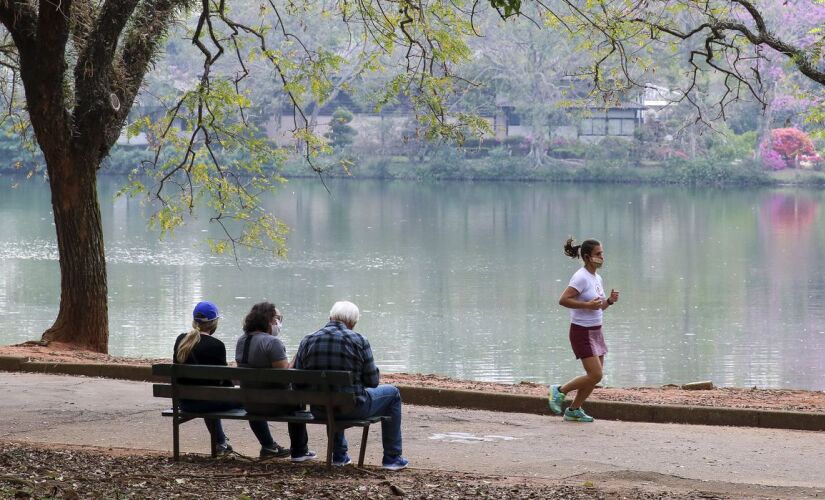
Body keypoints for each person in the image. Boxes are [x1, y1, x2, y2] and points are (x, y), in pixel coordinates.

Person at [294, 300, 408, 471]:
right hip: (353, 409)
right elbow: (372, 381)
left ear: (330, 317)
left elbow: (298, 383)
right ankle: (392, 457)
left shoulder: (308, 340)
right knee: (393, 393)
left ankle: (339, 455)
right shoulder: (359, 340)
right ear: (353, 322)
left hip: (319, 409)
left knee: (330, 394)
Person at [173, 301, 289, 457]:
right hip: (207, 402)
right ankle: (268, 445)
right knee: (249, 398)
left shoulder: (181, 340)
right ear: (214, 323)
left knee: (209, 394)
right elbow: (223, 382)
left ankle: (220, 443)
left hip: (184, 402)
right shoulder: (217, 345)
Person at [548, 238, 619, 423]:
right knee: (596, 374)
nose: (602, 257)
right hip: (581, 332)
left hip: (596, 331)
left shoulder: (597, 278)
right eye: (598, 254)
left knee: (593, 378)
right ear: (588, 257)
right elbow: (563, 300)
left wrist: (609, 301)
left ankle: (574, 410)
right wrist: (586, 305)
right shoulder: (580, 277)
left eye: (602, 253)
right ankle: (559, 390)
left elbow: (598, 307)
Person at [235, 301, 316, 463]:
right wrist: (297, 357)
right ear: (268, 319)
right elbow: (285, 376)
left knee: (258, 392)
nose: (279, 323)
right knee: (298, 399)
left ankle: (268, 445)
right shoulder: (273, 343)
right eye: (278, 318)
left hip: (250, 403)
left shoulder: (241, 341)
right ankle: (299, 451)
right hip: (276, 404)